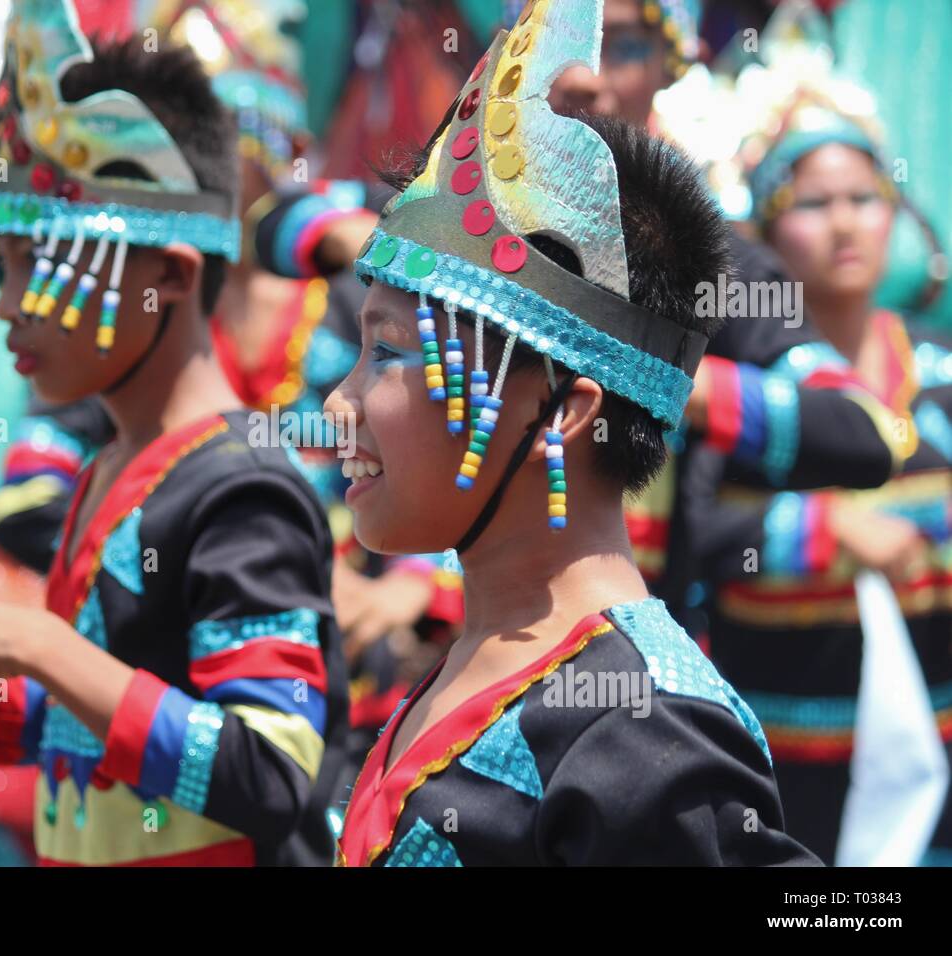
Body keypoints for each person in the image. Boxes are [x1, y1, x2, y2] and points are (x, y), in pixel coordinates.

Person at [0, 1, 346, 867]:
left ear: (169, 275)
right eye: (1, 263)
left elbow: (268, 771)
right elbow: (115, 735)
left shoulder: (242, 487)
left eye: (44, 263)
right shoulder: (116, 468)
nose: (7, 303)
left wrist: (37, 645)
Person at [327, 0, 815, 866]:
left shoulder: (640, 731)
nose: (339, 403)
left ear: (564, 410)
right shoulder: (471, 662)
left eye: (389, 355)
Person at [690, 56, 952, 865]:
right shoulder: (731, 392)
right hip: (776, 771)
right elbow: (688, 533)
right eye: (813, 203)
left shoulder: (940, 369)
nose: (846, 224)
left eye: (864, 199)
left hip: (933, 762)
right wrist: (824, 527)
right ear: (764, 235)